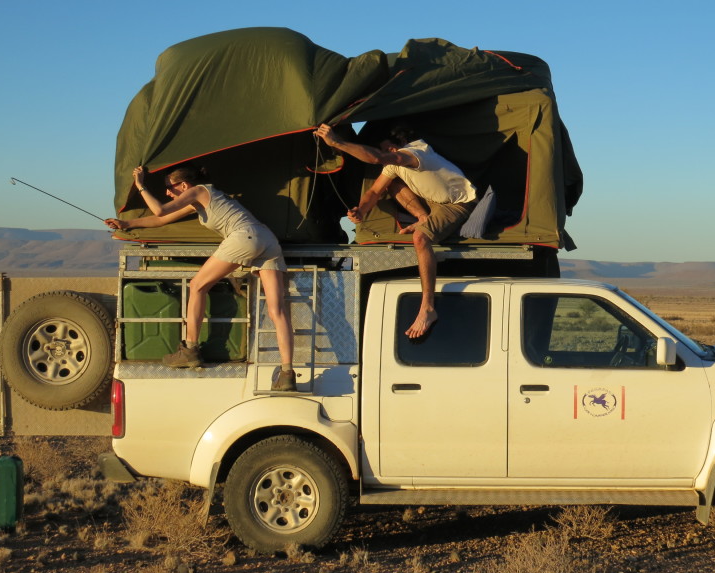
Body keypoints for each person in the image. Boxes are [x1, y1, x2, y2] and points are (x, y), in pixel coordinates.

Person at [105, 166, 297, 389]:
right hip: (267, 239)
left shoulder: (198, 191)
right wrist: (127, 224)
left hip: (245, 236)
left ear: (184, 186)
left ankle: (190, 349)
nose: (167, 192)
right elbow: (161, 220)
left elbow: (159, 210)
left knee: (197, 286)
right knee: (277, 310)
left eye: (169, 187)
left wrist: (140, 185)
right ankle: (287, 374)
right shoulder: (202, 197)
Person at [314, 123, 477, 338]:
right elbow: (374, 191)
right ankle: (422, 217)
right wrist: (361, 211)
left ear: (399, 144)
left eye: (389, 149)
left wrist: (337, 143)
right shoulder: (395, 160)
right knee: (390, 183)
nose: (388, 154)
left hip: (457, 204)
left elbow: (377, 158)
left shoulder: (415, 152)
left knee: (420, 238)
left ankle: (428, 308)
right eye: (385, 150)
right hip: (433, 201)